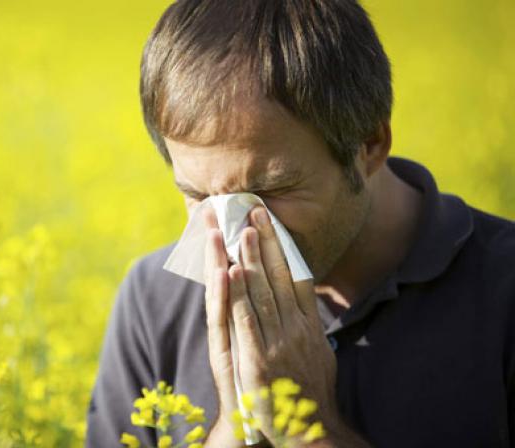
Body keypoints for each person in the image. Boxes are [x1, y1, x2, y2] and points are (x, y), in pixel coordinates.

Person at [85, 0, 515, 447]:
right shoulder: (153, 302)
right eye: (198, 195)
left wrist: (306, 429)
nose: (237, 238)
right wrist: (237, 423)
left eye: (271, 191)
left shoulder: (502, 293)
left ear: (369, 144)